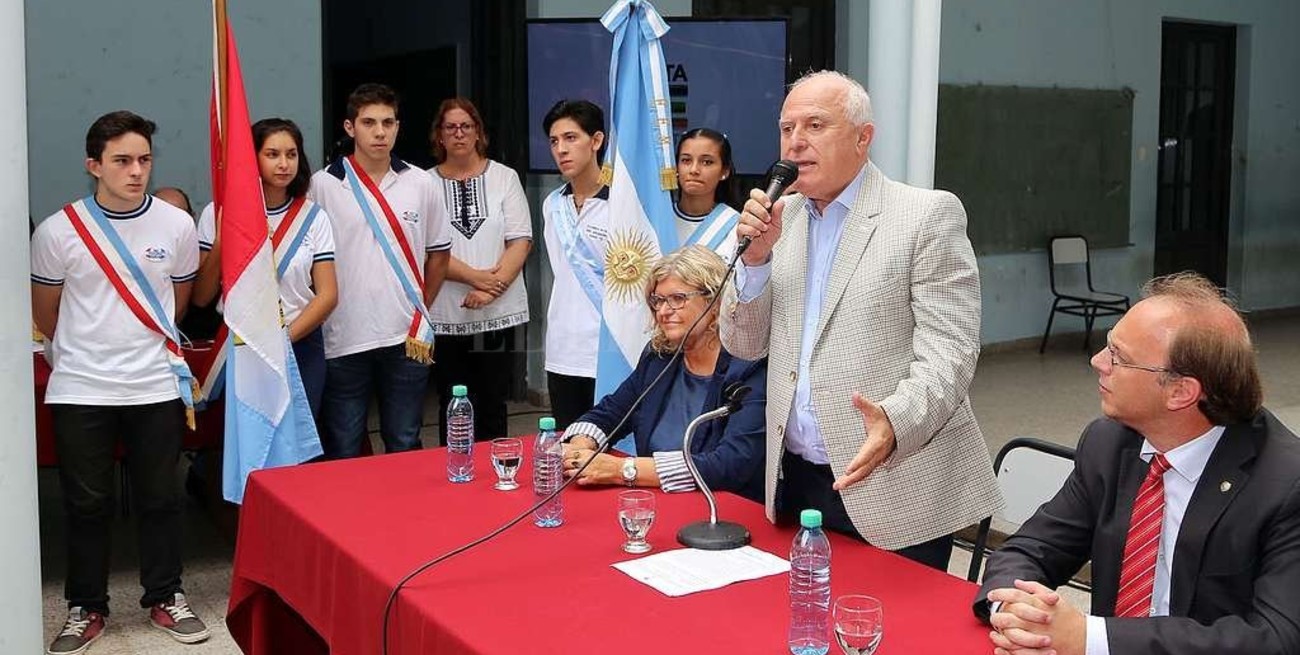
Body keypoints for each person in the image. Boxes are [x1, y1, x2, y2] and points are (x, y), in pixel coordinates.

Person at [720, 70, 1002, 571]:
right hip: (793, 479)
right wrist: (756, 263)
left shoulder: (924, 215)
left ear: (862, 136)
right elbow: (743, 344)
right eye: (787, 129)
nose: (796, 142)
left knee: (890, 636)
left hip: (891, 479)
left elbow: (951, 351)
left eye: (815, 125)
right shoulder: (776, 221)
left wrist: (896, 422)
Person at [977, 272, 1300, 655]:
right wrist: (1020, 614)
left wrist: (1091, 639)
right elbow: (1029, 550)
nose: (1098, 362)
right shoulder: (1109, 442)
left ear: (1181, 391)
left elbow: (1276, 640)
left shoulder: (1286, 483)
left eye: (1119, 357)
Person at [30, 110, 210, 653]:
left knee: (161, 498)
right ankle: (86, 608)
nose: (136, 171)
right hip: (81, 387)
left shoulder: (177, 226)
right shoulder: (59, 230)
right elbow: (47, 310)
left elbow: (177, 301)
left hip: (154, 384)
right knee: (86, 505)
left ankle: (165, 596)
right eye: (122, 161)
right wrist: (91, 348)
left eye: (144, 160)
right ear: (93, 166)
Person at [309, 83, 451, 458]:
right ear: (349, 127)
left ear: (398, 127)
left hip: (406, 336)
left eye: (388, 122)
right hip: (343, 335)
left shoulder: (421, 183)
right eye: (369, 122)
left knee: (405, 440)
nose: (379, 132)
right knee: (343, 445)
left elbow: (439, 254)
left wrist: (420, 307)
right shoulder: (322, 185)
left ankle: (407, 518)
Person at [561, 246, 766, 501]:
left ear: (715, 302)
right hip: (654, 504)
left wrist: (624, 469)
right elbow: (609, 414)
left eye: (678, 298)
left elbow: (731, 463)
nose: (663, 311)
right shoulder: (659, 357)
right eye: (657, 300)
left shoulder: (748, 366)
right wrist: (581, 448)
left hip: (724, 514)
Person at [193, 117, 338, 418]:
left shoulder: (313, 217)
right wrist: (222, 240)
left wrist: (281, 342)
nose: (284, 163)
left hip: (299, 343)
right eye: (272, 154)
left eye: (291, 154)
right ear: (252, 158)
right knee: (249, 446)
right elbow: (201, 297)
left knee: (297, 447)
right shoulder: (216, 212)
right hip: (242, 344)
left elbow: (328, 296)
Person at [426, 97, 531, 443]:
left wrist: (490, 289)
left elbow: (520, 240)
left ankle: (494, 481)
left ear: (478, 133)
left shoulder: (505, 177)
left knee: (492, 402)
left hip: (499, 312)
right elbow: (426, 248)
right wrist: (474, 278)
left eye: (466, 127)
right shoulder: (423, 184)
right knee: (451, 403)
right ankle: (454, 474)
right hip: (446, 311)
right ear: (439, 136)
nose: (459, 134)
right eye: (450, 127)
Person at [540, 99, 608, 430]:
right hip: (563, 348)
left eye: (571, 138)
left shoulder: (623, 203)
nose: (561, 150)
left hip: (611, 348)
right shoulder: (552, 205)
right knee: (569, 445)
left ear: (596, 141)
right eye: (554, 141)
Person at [673, 127, 739, 257]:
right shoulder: (659, 219)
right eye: (686, 160)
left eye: (707, 162)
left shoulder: (736, 227)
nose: (694, 170)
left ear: (724, 171)